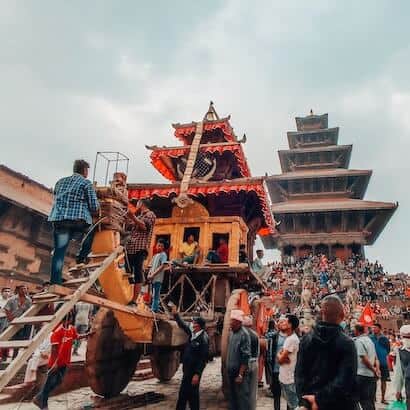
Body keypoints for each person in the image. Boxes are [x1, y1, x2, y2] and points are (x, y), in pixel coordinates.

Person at [296, 295, 357, 410]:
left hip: (310, 403)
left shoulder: (306, 339)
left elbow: (299, 375)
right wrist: (319, 400)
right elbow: (345, 380)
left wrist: (305, 401)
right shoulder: (347, 343)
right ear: (342, 316)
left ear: (321, 313)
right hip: (337, 404)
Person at [48, 159, 100, 284]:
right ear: (85, 170)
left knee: (59, 252)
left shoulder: (60, 182)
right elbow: (94, 207)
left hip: (59, 220)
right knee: (93, 230)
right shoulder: (86, 183)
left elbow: (56, 197)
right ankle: (81, 257)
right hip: (78, 221)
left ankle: (55, 281)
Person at [33, 312, 90, 410]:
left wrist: (87, 335)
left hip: (65, 362)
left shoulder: (71, 329)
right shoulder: (57, 332)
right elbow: (54, 350)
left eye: (70, 319)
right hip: (55, 363)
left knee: (58, 382)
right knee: (48, 384)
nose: (69, 321)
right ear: (64, 320)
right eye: (67, 319)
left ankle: (38, 397)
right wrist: (55, 364)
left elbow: (76, 337)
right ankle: (43, 405)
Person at [171, 304, 209, 410]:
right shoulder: (193, 333)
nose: (192, 324)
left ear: (198, 326)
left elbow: (203, 359)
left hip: (193, 373)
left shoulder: (203, 339)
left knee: (188, 396)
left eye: (193, 323)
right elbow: (183, 325)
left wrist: (197, 374)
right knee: (188, 395)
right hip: (187, 371)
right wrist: (176, 315)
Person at [126, 198, 156, 303]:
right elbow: (131, 225)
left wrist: (132, 217)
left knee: (138, 273)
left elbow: (144, 227)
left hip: (140, 247)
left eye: (138, 203)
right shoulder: (139, 216)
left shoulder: (150, 214)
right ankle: (128, 296)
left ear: (141, 204)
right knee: (128, 272)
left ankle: (134, 300)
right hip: (131, 247)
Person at [226, 309, 251, 410]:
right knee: (233, 399)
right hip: (231, 373)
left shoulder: (244, 335)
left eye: (232, 321)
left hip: (239, 375)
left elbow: (245, 357)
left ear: (238, 322)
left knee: (242, 400)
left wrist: (240, 375)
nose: (230, 323)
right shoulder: (232, 333)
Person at [354, 324, 379, 410]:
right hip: (370, 375)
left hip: (362, 374)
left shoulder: (359, 341)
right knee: (370, 401)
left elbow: (363, 358)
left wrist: (374, 370)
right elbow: (376, 358)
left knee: (362, 401)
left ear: (357, 331)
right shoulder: (369, 340)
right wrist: (376, 370)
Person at [277, 314, 300, 410]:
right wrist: (280, 355)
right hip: (285, 377)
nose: (283, 323)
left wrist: (280, 356)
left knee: (294, 406)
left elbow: (280, 359)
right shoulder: (289, 338)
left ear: (290, 325)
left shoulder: (292, 340)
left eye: (285, 321)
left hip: (289, 379)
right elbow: (280, 356)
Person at [4, 285, 32, 358]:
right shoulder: (12, 299)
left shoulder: (28, 300)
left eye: (25, 289)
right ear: (18, 290)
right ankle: (4, 356)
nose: (24, 290)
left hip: (22, 323)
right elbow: (7, 309)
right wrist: (11, 319)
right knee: (8, 339)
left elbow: (29, 311)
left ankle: (15, 356)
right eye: (22, 289)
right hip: (12, 322)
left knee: (18, 340)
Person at [265, 317, 287, 410]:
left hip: (287, 370)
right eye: (280, 322)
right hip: (276, 369)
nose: (282, 324)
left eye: (284, 322)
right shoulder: (274, 336)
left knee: (288, 395)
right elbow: (270, 352)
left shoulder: (291, 336)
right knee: (276, 394)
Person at [370, 323, 391, 404]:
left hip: (383, 362)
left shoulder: (384, 338)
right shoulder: (370, 338)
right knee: (373, 381)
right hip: (373, 362)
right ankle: (373, 397)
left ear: (379, 328)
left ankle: (383, 398)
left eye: (375, 327)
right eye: (372, 328)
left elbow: (388, 349)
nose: (373, 329)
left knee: (383, 381)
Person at [146, 240, 168, 313]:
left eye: (161, 246)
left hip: (158, 278)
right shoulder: (155, 256)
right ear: (156, 246)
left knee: (156, 294)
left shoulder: (163, 255)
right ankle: (152, 307)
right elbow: (150, 266)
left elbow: (163, 265)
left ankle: (154, 310)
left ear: (164, 247)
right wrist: (149, 274)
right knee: (152, 293)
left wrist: (153, 274)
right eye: (158, 245)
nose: (159, 247)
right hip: (152, 278)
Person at [243, 315, 259, 410]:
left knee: (243, 390)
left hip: (245, 364)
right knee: (253, 391)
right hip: (254, 362)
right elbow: (258, 352)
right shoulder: (255, 335)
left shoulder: (242, 334)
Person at [392, 324, 410, 409]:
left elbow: (399, 372)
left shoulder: (401, 350)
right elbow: (399, 372)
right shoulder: (400, 350)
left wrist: (398, 390)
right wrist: (398, 390)